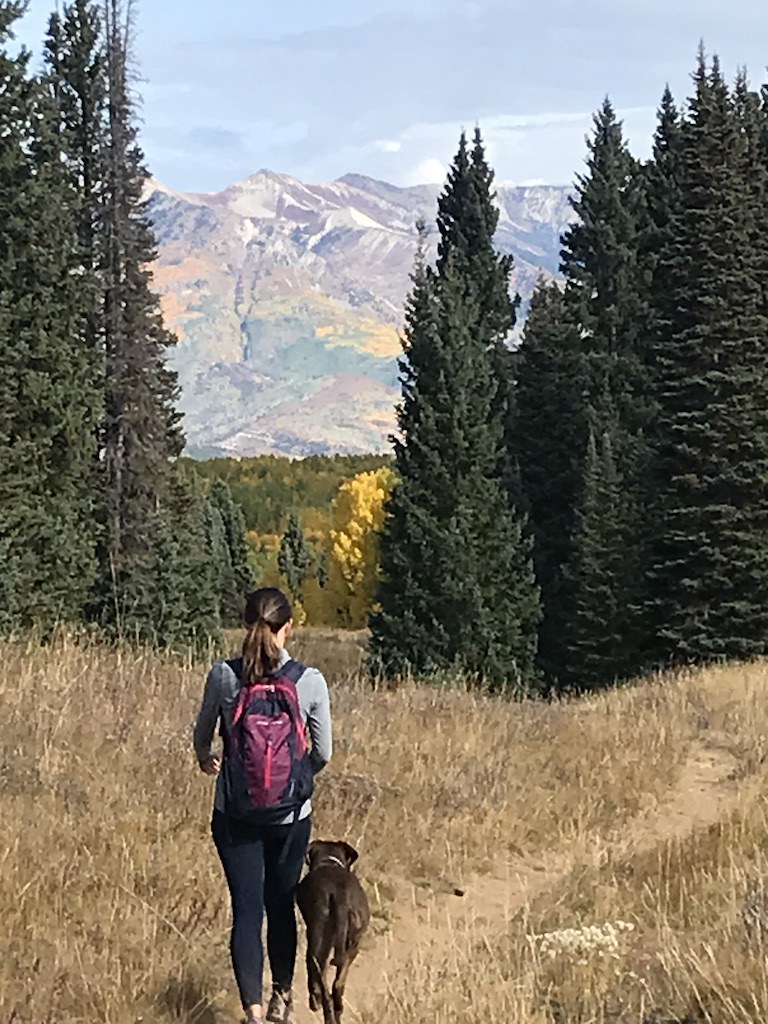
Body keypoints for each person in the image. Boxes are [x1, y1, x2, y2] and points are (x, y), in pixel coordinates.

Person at [194, 587, 332, 1024]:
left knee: (247, 910)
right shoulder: (309, 681)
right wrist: (297, 778)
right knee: (280, 904)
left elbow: (202, 737)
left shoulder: (224, 676)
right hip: (291, 819)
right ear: (288, 627)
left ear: (245, 623)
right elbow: (324, 751)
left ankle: (252, 1014)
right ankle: (281, 1000)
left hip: (234, 814)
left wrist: (207, 760)